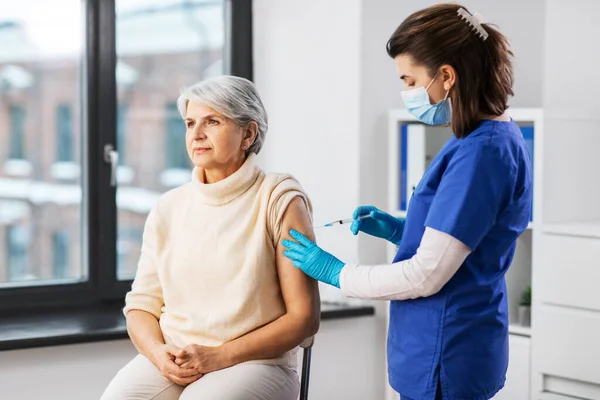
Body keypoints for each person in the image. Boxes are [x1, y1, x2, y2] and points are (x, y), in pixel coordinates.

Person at [283, 4, 532, 400]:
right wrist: (401, 230)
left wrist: (337, 273)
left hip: (446, 348)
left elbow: (425, 275)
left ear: (446, 76)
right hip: (449, 340)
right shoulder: (484, 138)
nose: (407, 92)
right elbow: (466, 240)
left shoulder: (481, 153)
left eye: (409, 79)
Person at [101, 75, 320, 400]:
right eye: (190, 123)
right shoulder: (168, 207)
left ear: (248, 133)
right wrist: (159, 354)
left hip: (259, 363)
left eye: (212, 121)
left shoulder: (279, 198)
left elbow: (303, 318)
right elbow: (142, 305)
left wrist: (217, 356)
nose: (196, 134)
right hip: (178, 355)